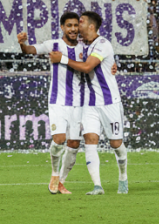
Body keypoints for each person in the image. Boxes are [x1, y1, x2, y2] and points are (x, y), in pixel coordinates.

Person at [51, 11, 128, 195]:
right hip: (89, 104)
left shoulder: (102, 44)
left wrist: (61, 59)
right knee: (90, 140)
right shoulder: (83, 45)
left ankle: (123, 177)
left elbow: (87, 67)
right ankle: (97, 186)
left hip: (109, 102)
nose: (77, 26)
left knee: (116, 144)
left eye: (81, 22)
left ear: (91, 26)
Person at [18, 12, 84, 195]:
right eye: (69, 25)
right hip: (57, 101)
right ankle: (55, 174)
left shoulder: (84, 47)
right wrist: (22, 43)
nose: (73, 29)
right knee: (59, 140)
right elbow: (30, 50)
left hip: (79, 103)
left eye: (75, 25)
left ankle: (61, 181)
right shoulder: (53, 45)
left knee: (74, 144)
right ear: (62, 27)